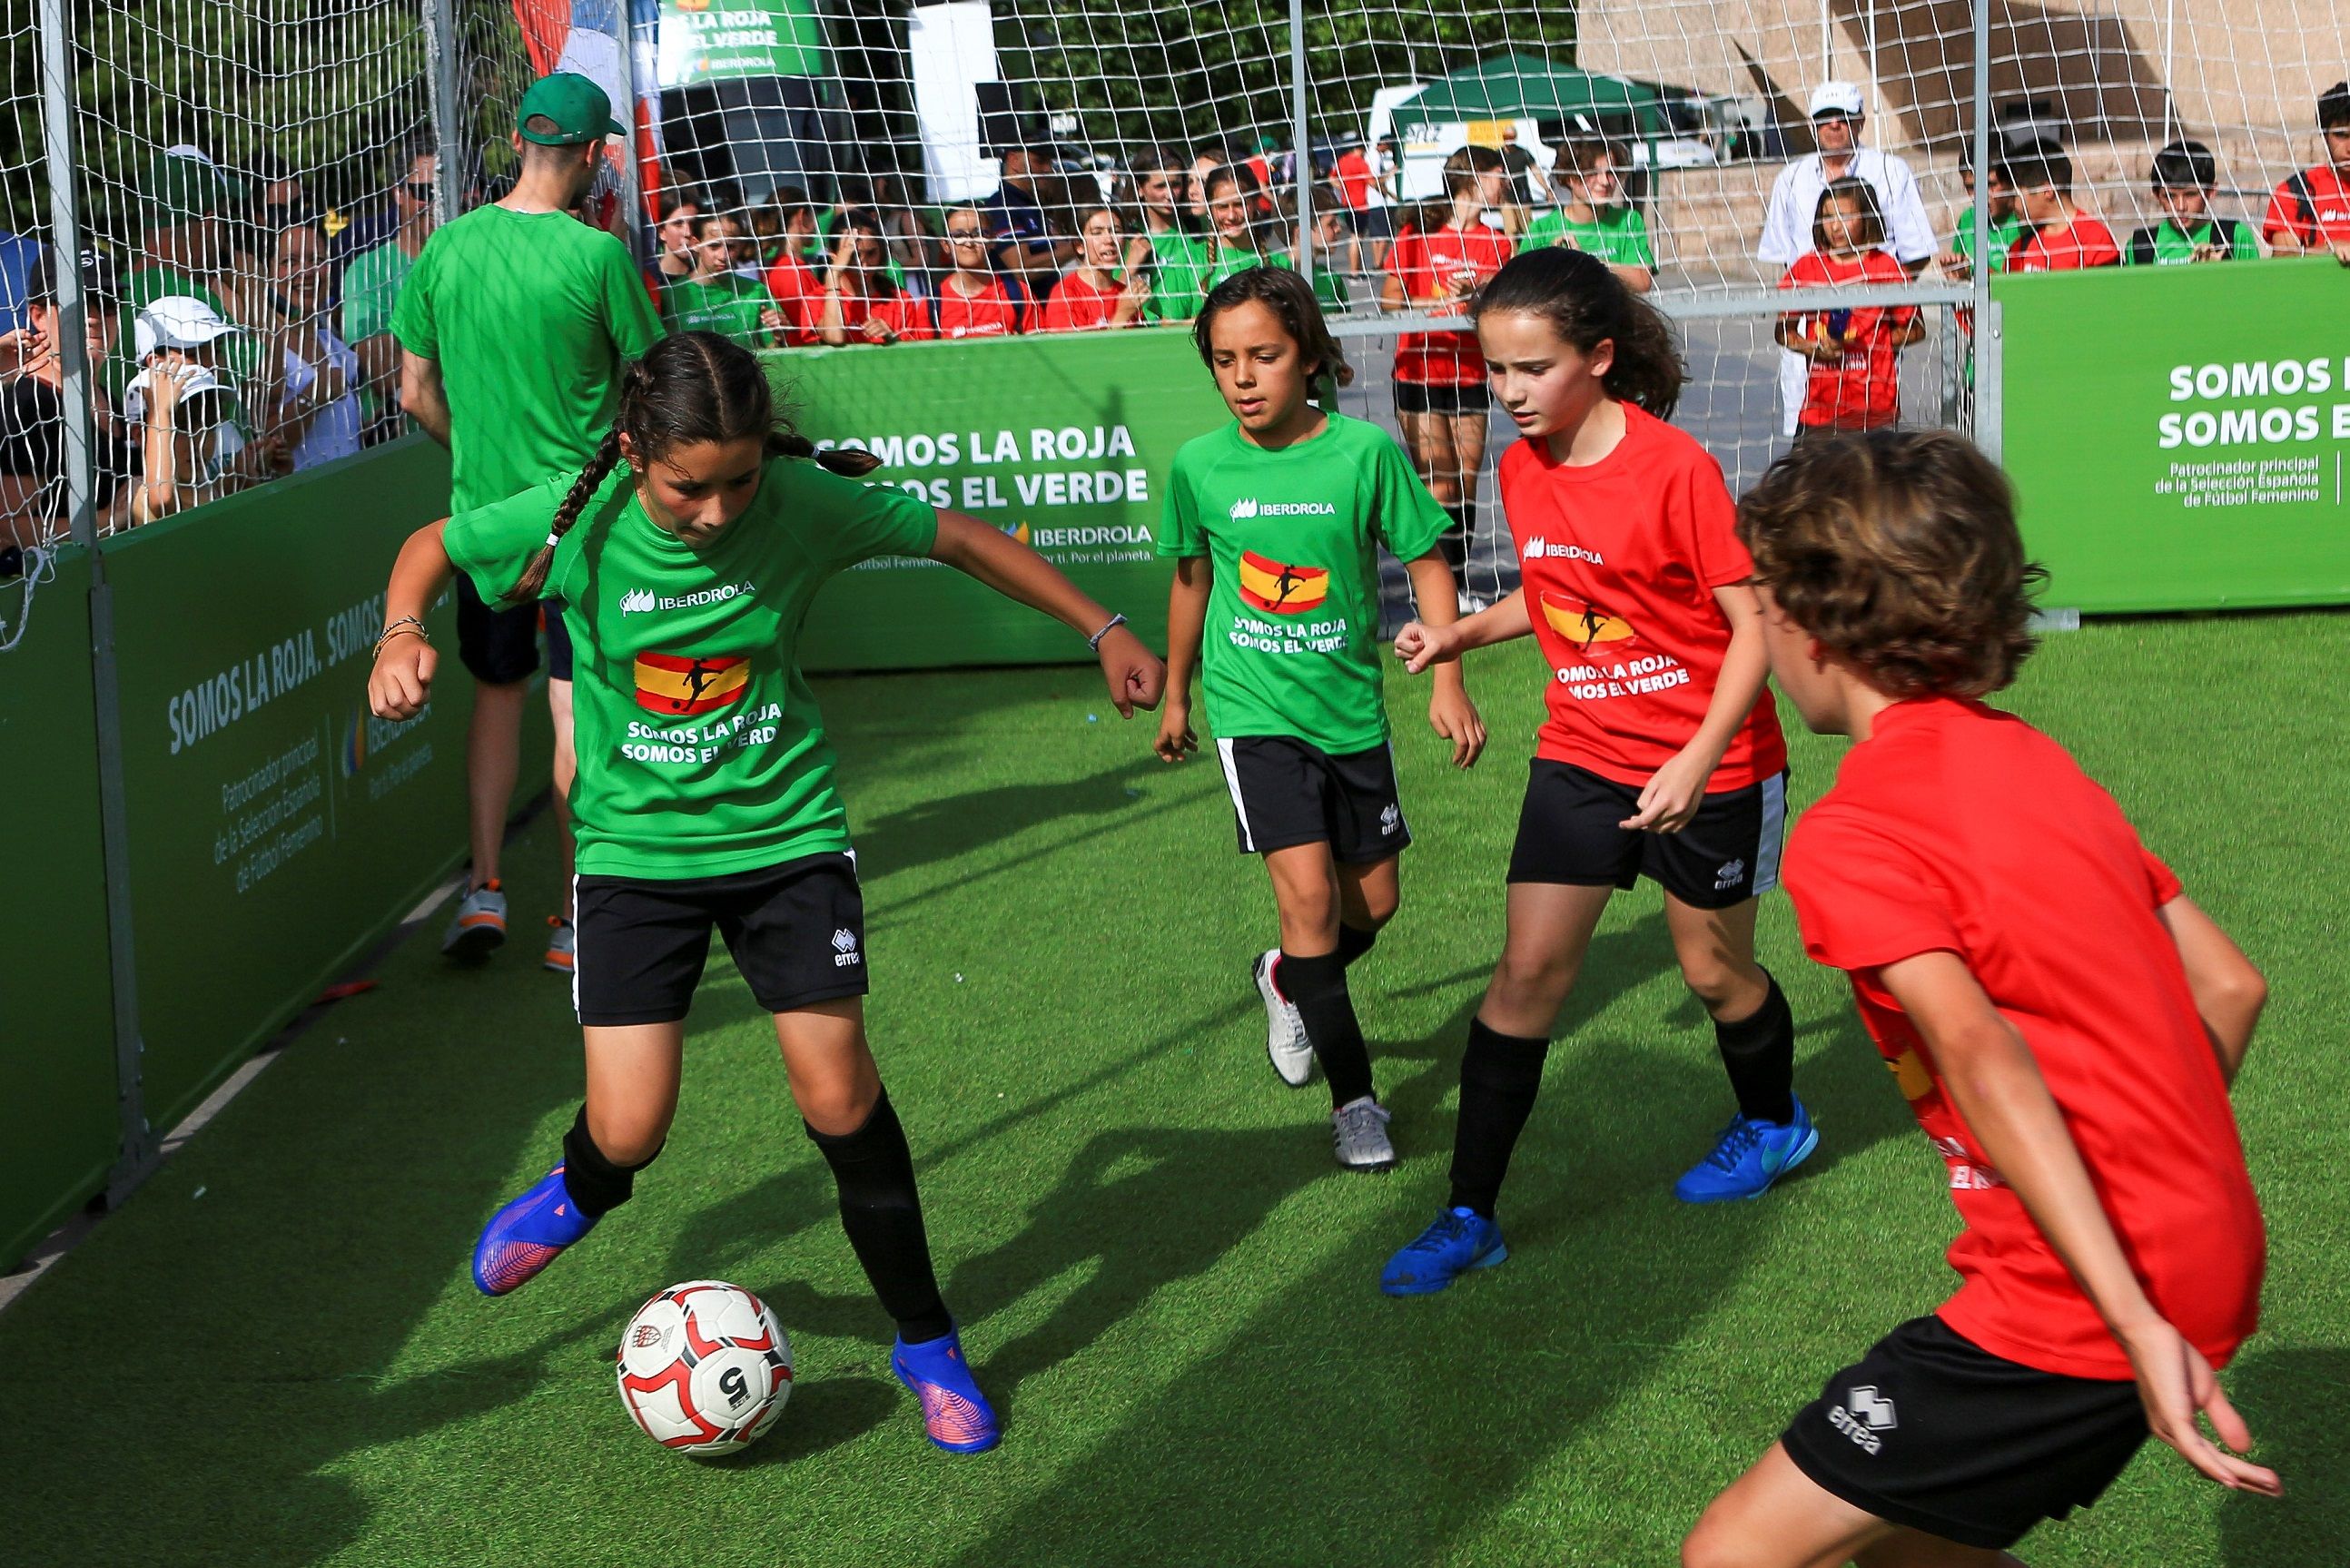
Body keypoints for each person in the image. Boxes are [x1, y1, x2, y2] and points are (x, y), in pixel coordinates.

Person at [366, 330, 1165, 1455]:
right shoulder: (572, 515)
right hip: (635, 859)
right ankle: (584, 1188)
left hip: (787, 837)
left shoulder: (795, 500)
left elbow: (958, 539)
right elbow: (428, 545)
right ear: (637, 450)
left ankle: (926, 1338)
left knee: (839, 1095)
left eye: (740, 479)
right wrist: (401, 633)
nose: (720, 508)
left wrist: (1103, 624)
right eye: (692, 486)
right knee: (630, 1127)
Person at [1684, 429, 2276, 1567]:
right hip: (2200, 1245)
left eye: (1756, 604)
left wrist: (2135, 1313)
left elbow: (1978, 1050)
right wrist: (2153, 1169)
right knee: (1908, 1547)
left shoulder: (1850, 835)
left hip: (2082, 1292)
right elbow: (2229, 984)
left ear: (1808, 628)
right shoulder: (2034, 762)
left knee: (1734, 1552)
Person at [1377, 247, 1802, 1297]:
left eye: (1534, 369)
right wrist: (1462, 635)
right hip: (1580, 754)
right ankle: (1468, 1212)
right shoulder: (1520, 468)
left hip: (1711, 760)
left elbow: (1751, 632)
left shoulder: (1674, 470)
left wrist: (1697, 758)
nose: (1511, 393)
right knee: (1524, 978)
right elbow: (1563, 593)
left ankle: (1772, 1124)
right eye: (1497, 372)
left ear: (1599, 358)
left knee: (1713, 975)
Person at [1153, 266, 1482, 1171]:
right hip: (1252, 713)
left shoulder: (1362, 453)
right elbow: (1191, 580)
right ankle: (1355, 1103)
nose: (1243, 377)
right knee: (1306, 904)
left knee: (1371, 903)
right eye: (1224, 361)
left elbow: (1424, 559)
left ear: (1308, 356)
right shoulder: (1198, 465)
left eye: (1263, 354)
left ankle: (1283, 978)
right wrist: (1179, 692)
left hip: (1349, 713)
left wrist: (1445, 676)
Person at [392, 72, 666, 973]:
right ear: (592, 155)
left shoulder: (444, 249)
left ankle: (484, 889)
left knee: (495, 696)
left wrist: (473, 460)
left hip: (480, 521)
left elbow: (413, 393)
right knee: (573, 711)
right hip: (584, 528)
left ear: (519, 141)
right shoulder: (595, 259)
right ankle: (576, 918)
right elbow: (658, 389)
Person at [1757, 84, 1935, 439]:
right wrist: (1810, 328)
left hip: (1871, 354)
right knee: (1810, 450)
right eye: (1825, 119)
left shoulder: (1891, 171)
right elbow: (1782, 258)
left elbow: (1916, 252)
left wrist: (1873, 310)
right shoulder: (1790, 179)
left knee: (1873, 459)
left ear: (1860, 122)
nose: (1834, 126)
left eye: (1844, 118)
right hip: (1812, 355)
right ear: (1813, 125)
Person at [1379, 145, 1515, 607]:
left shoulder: (1498, 243)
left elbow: (1500, 308)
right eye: (1498, 173)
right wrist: (1435, 305)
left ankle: (1455, 585)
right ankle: (1431, 591)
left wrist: (1475, 293)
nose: (1505, 182)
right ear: (1473, 178)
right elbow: (1390, 303)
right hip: (1418, 369)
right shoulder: (1417, 235)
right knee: (1436, 483)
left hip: (1471, 371)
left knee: (1466, 479)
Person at [0, 250, 135, 544]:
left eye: (107, 303)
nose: (93, 318)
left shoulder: (108, 400)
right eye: (76, 304)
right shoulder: (32, 404)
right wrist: (103, 523)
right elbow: (6, 525)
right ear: (38, 316)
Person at [1775, 180, 1923, 437]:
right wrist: (1813, 348)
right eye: (1828, 216)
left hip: (1875, 410)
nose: (1835, 226)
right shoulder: (1806, 268)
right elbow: (1782, 331)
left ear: (1867, 217)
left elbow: (1916, 330)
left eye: (1845, 216)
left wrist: (1874, 342)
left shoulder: (1885, 268)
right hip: (1820, 412)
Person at [123, 294, 279, 524]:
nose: (212, 364)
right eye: (194, 353)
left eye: (210, 423)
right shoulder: (140, 491)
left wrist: (245, 476)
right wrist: (161, 412)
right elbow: (162, 498)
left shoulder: (205, 487)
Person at [344, 147, 443, 442]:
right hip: (409, 442)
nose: (434, 202)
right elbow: (385, 373)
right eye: (423, 191)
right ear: (398, 194)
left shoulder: (475, 261)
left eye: (442, 190)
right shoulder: (369, 271)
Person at [267, 219, 365, 470]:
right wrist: (312, 397)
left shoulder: (335, 346)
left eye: (316, 260)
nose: (306, 271)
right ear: (269, 272)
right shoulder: (266, 349)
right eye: (290, 262)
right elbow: (265, 448)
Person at [1199, 163, 1350, 312]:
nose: (1231, 215)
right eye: (1223, 206)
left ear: (1254, 205)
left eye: (1239, 204)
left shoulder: (1281, 266)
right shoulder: (1189, 260)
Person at [1523, 139, 1654, 293]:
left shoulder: (1628, 221)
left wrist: (1585, 261)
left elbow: (1642, 282)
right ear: (1570, 177)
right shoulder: (1542, 229)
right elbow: (1523, 288)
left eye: (1610, 173)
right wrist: (1554, 261)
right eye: (1593, 173)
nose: (1604, 181)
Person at [661, 212, 788, 349]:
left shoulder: (755, 292)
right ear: (695, 244)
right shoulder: (670, 295)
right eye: (714, 246)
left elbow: (773, 352)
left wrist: (779, 336)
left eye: (731, 247)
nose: (723, 256)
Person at [2126, 140, 2262, 265]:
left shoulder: (2234, 237)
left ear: (2210, 192)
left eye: (2190, 195)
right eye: (2170, 196)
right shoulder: (2140, 245)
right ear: (2157, 195)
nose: (2180, 207)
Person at [2262, 79, 2350, 262]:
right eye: (2341, 135)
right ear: (2324, 136)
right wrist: (2328, 249)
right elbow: (2282, 261)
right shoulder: (2294, 191)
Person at [1127, 147, 1213, 323]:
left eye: (1175, 185)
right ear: (1140, 189)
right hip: (1151, 331)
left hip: (1198, 322)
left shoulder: (1197, 228)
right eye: (1160, 186)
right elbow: (1113, 297)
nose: (1169, 195)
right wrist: (1131, 266)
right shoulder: (1130, 237)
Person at [815, 220, 933, 346]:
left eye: (871, 253)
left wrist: (892, 338)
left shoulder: (900, 299)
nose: (864, 265)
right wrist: (834, 274)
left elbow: (914, 357)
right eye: (854, 255)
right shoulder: (817, 298)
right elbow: (835, 338)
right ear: (835, 257)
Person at [2005, 146, 2120, 271]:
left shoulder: (2094, 240)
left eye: (2014, 195)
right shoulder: (2021, 247)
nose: (2010, 204)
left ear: (2047, 191)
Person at [924, 206, 1033, 339]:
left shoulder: (1018, 293)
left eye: (979, 234)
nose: (969, 242)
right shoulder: (932, 304)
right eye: (958, 235)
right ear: (945, 245)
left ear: (992, 240)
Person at [1042, 205, 1151, 332]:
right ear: (1079, 245)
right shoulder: (1065, 294)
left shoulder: (1126, 295)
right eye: (1097, 233)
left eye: (1116, 231)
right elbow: (1075, 351)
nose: (1109, 240)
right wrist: (1122, 315)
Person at [986, 146, 1078, 282]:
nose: (1049, 169)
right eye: (1039, 161)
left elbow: (1051, 251)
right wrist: (1078, 246)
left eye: (1051, 163)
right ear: (1014, 160)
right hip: (1022, 303)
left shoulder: (1030, 204)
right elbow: (1021, 270)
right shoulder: (1001, 205)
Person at [651, 194, 701, 285]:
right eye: (678, 224)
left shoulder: (705, 277)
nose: (688, 233)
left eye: (693, 224)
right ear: (662, 232)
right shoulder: (648, 278)